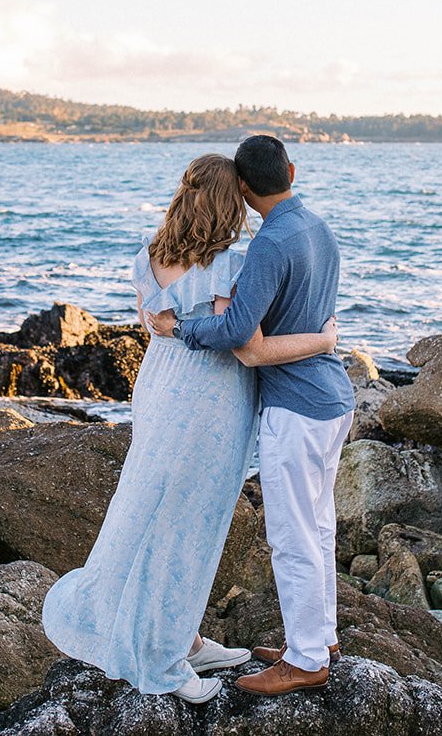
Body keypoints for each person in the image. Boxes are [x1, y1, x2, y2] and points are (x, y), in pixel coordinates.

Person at [41, 153, 338, 704]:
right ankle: (163, 659)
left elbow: (150, 327)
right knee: (191, 526)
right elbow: (237, 338)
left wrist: (175, 323)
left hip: (156, 392)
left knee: (151, 509)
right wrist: (322, 340)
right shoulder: (229, 264)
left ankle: (186, 635)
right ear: (233, 203)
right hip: (211, 402)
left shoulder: (146, 257)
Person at [147, 134, 354, 697]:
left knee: (291, 534)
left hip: (296, 405)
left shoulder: (269, 244)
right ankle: (321, 637)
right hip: (334, 401)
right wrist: (322, 341)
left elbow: (240, 335)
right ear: (292, 168)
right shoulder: (319, 229)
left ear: (242, 188)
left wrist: (180, 329)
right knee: (319, 526)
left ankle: (307, 658)